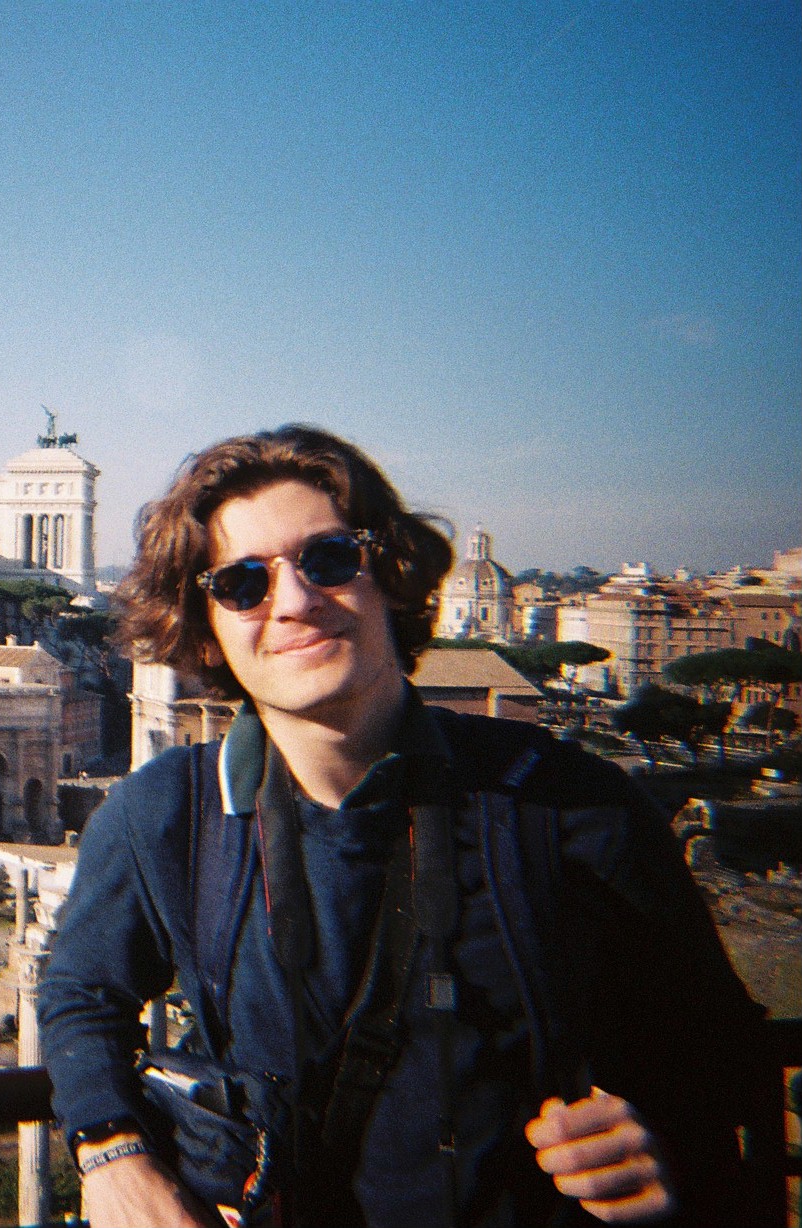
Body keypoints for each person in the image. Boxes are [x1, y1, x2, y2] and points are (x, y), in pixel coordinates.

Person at [38, 426, 775, 1228]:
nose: (294, 601)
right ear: (206, 629)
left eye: (328, 558)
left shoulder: (573, 804)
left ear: (390, 575)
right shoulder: (164, 814)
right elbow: (80, 994)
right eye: (243, 583)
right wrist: (111, 1151)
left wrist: (663, 1139)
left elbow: (718, 1042)